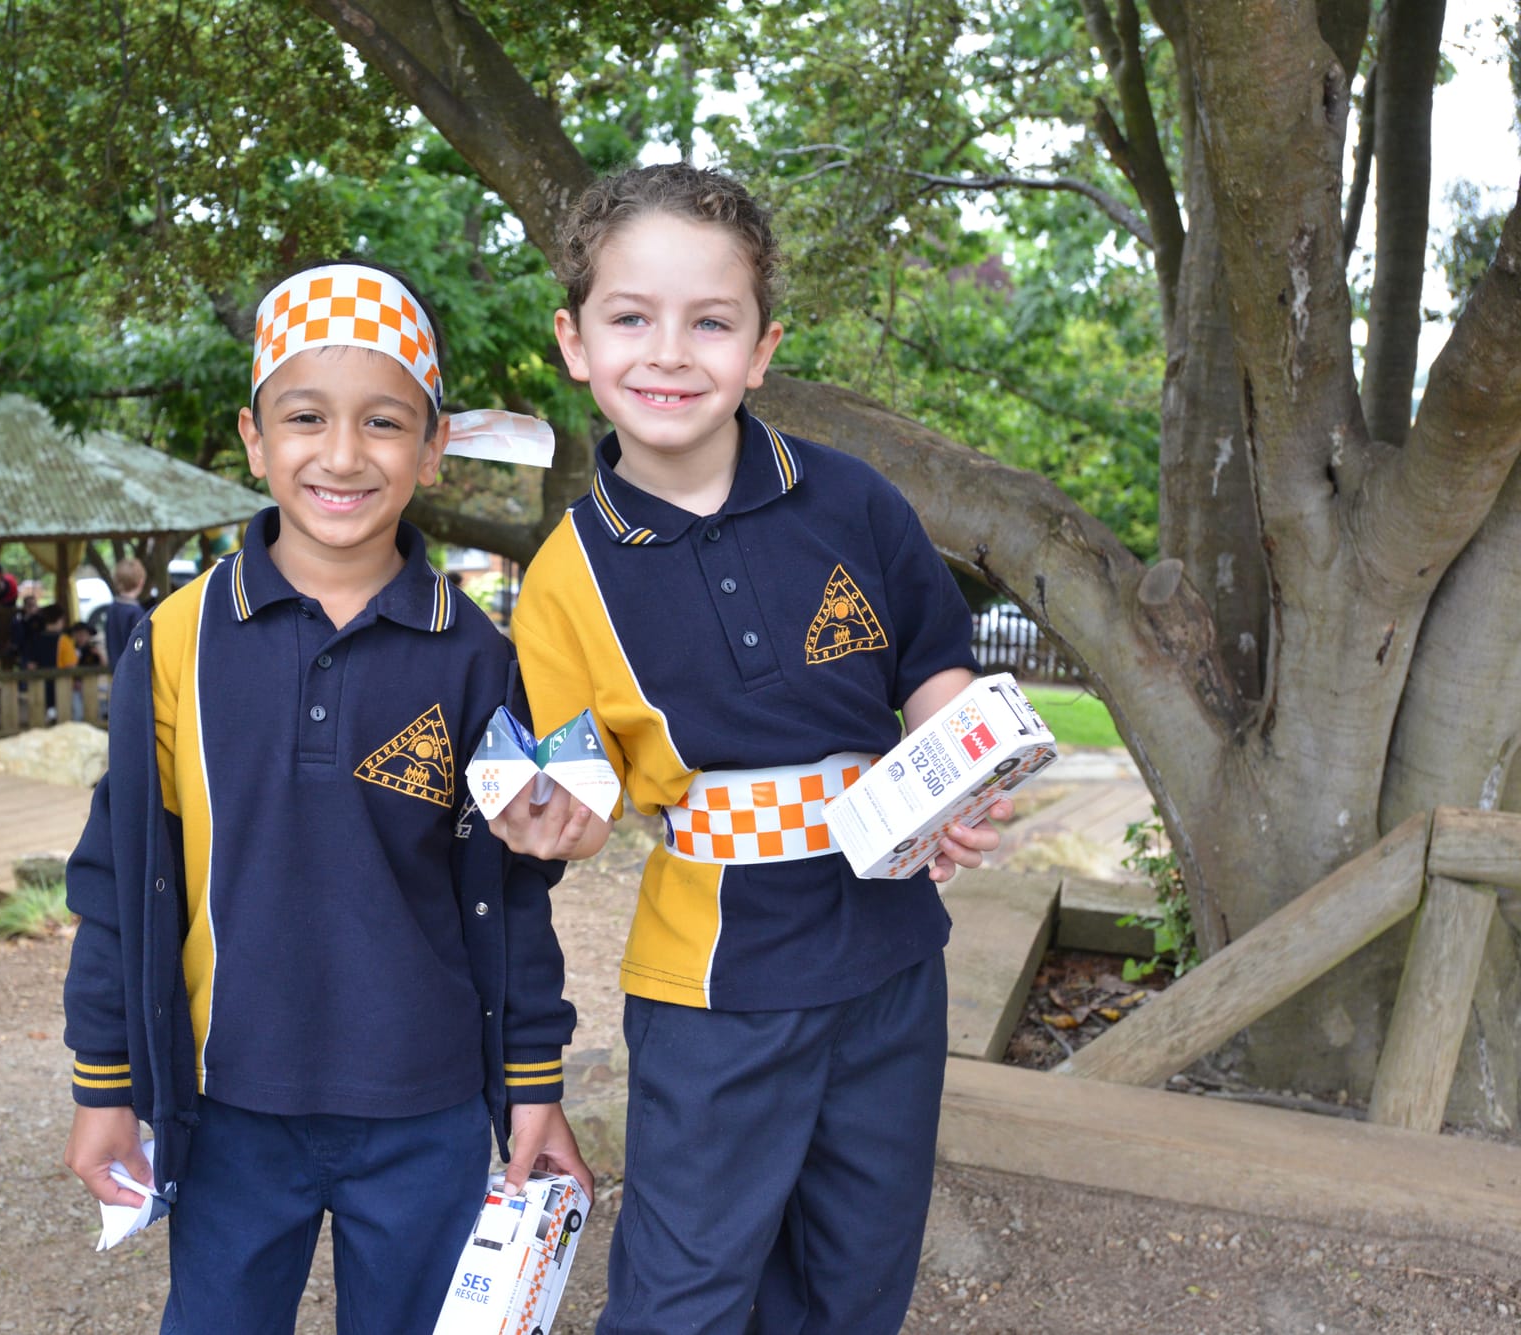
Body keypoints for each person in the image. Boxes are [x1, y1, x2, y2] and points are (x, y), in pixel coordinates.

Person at [491, 163, 1011, 1335]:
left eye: (709, 322)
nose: (669, 353)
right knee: (688, 1288)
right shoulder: (564, 579)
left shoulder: (854, 502)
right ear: (575, 342)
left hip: (888, 956)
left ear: (760, 349)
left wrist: (960, 763)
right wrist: (546, 823)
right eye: (631, 318)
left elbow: (930, 664)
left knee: (855, 1276)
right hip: (714, 983)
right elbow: (569, 791)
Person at [61, 260, 588, 1334]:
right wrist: (103, 1085)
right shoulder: (174, 640)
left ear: (433, 446)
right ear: (254, 438)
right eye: (305, 417)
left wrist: (531, 1082)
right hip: (229, 1102)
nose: (342, 455)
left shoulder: (477, 654)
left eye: (384, 423)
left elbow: (510, 891)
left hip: (427, 1106)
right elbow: (119, 876)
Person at [103, 556, 145, 664]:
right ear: (141, 582)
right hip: (132, 672)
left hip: (116, 671)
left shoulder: (112, 609)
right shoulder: (136, 613)